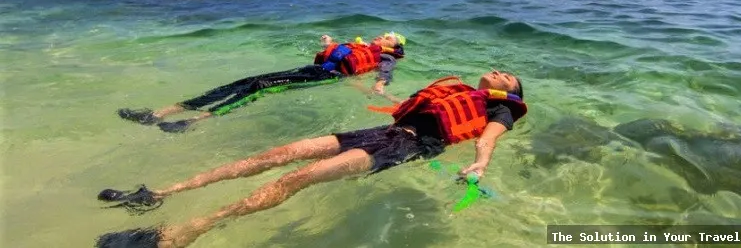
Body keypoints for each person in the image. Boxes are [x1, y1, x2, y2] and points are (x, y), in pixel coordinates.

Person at [95, 70, 526, 248]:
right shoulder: (456, 91)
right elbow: (408, 105)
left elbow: (488, 139)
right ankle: (158, 193)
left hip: (403, 148)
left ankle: (174, 237)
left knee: (297, 177)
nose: (499, 71)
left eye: (507, 76)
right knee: (275, 155)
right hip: (382, 132)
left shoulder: (499, 109)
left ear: (510, 92)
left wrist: (480, 164)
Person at [117, 32, 407, 133]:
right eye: (383, 35)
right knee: (249, 80)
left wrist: (381, 85)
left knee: (261, 87)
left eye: (388, 38)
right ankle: (159, 113)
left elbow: (385, 72)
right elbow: (337, 53)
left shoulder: (386, 58)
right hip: (315, 69)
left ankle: (192, 122)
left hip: (325, 77)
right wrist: (329, 42)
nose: (382, 37)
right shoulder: (362, 47)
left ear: (392, 47)